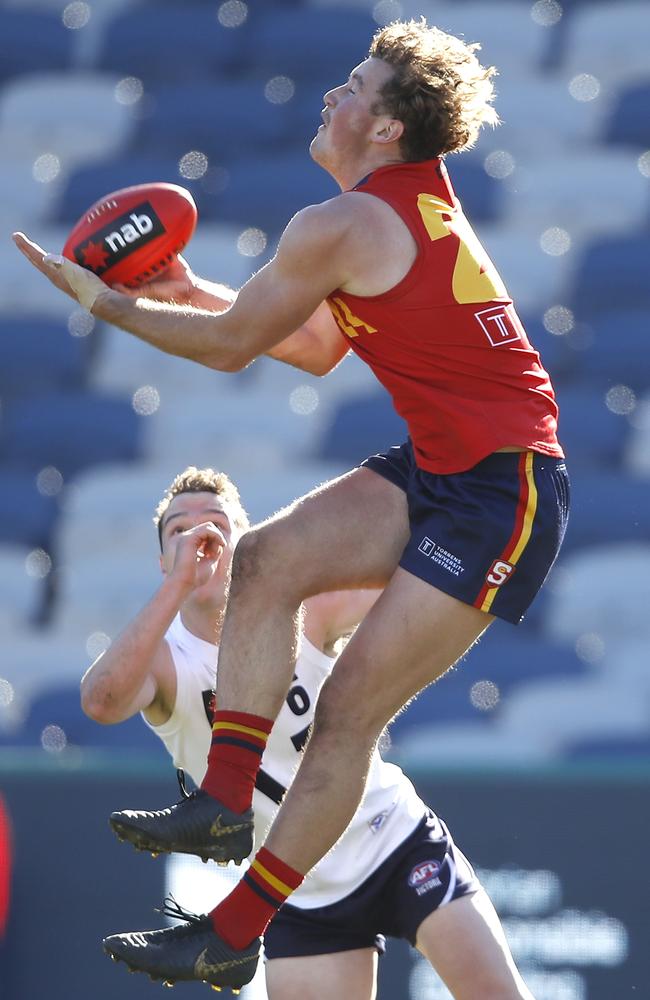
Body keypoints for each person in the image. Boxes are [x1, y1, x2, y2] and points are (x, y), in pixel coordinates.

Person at [14, 17, 569, 992]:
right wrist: (184, 288)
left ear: (388, 125)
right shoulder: (385, 210)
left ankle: (231, 929)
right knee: (264, 561)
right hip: (453, 463)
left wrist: (106, 304)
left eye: (353, 87)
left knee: (347, 712)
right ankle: (224, 801)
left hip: (501, 488)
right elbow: (310, 346)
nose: (331, 97)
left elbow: (232, 348)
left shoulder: (344, 222)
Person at [87, 465, 534, 999]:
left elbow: (421, 596)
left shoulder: (304, 610)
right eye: (179, 530)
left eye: (216, 523)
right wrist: (181, 583)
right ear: (163, 560)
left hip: (393, 840)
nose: (199, 537)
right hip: (297, 890)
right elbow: (102, 701)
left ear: (247, 540)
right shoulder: (165, 661)